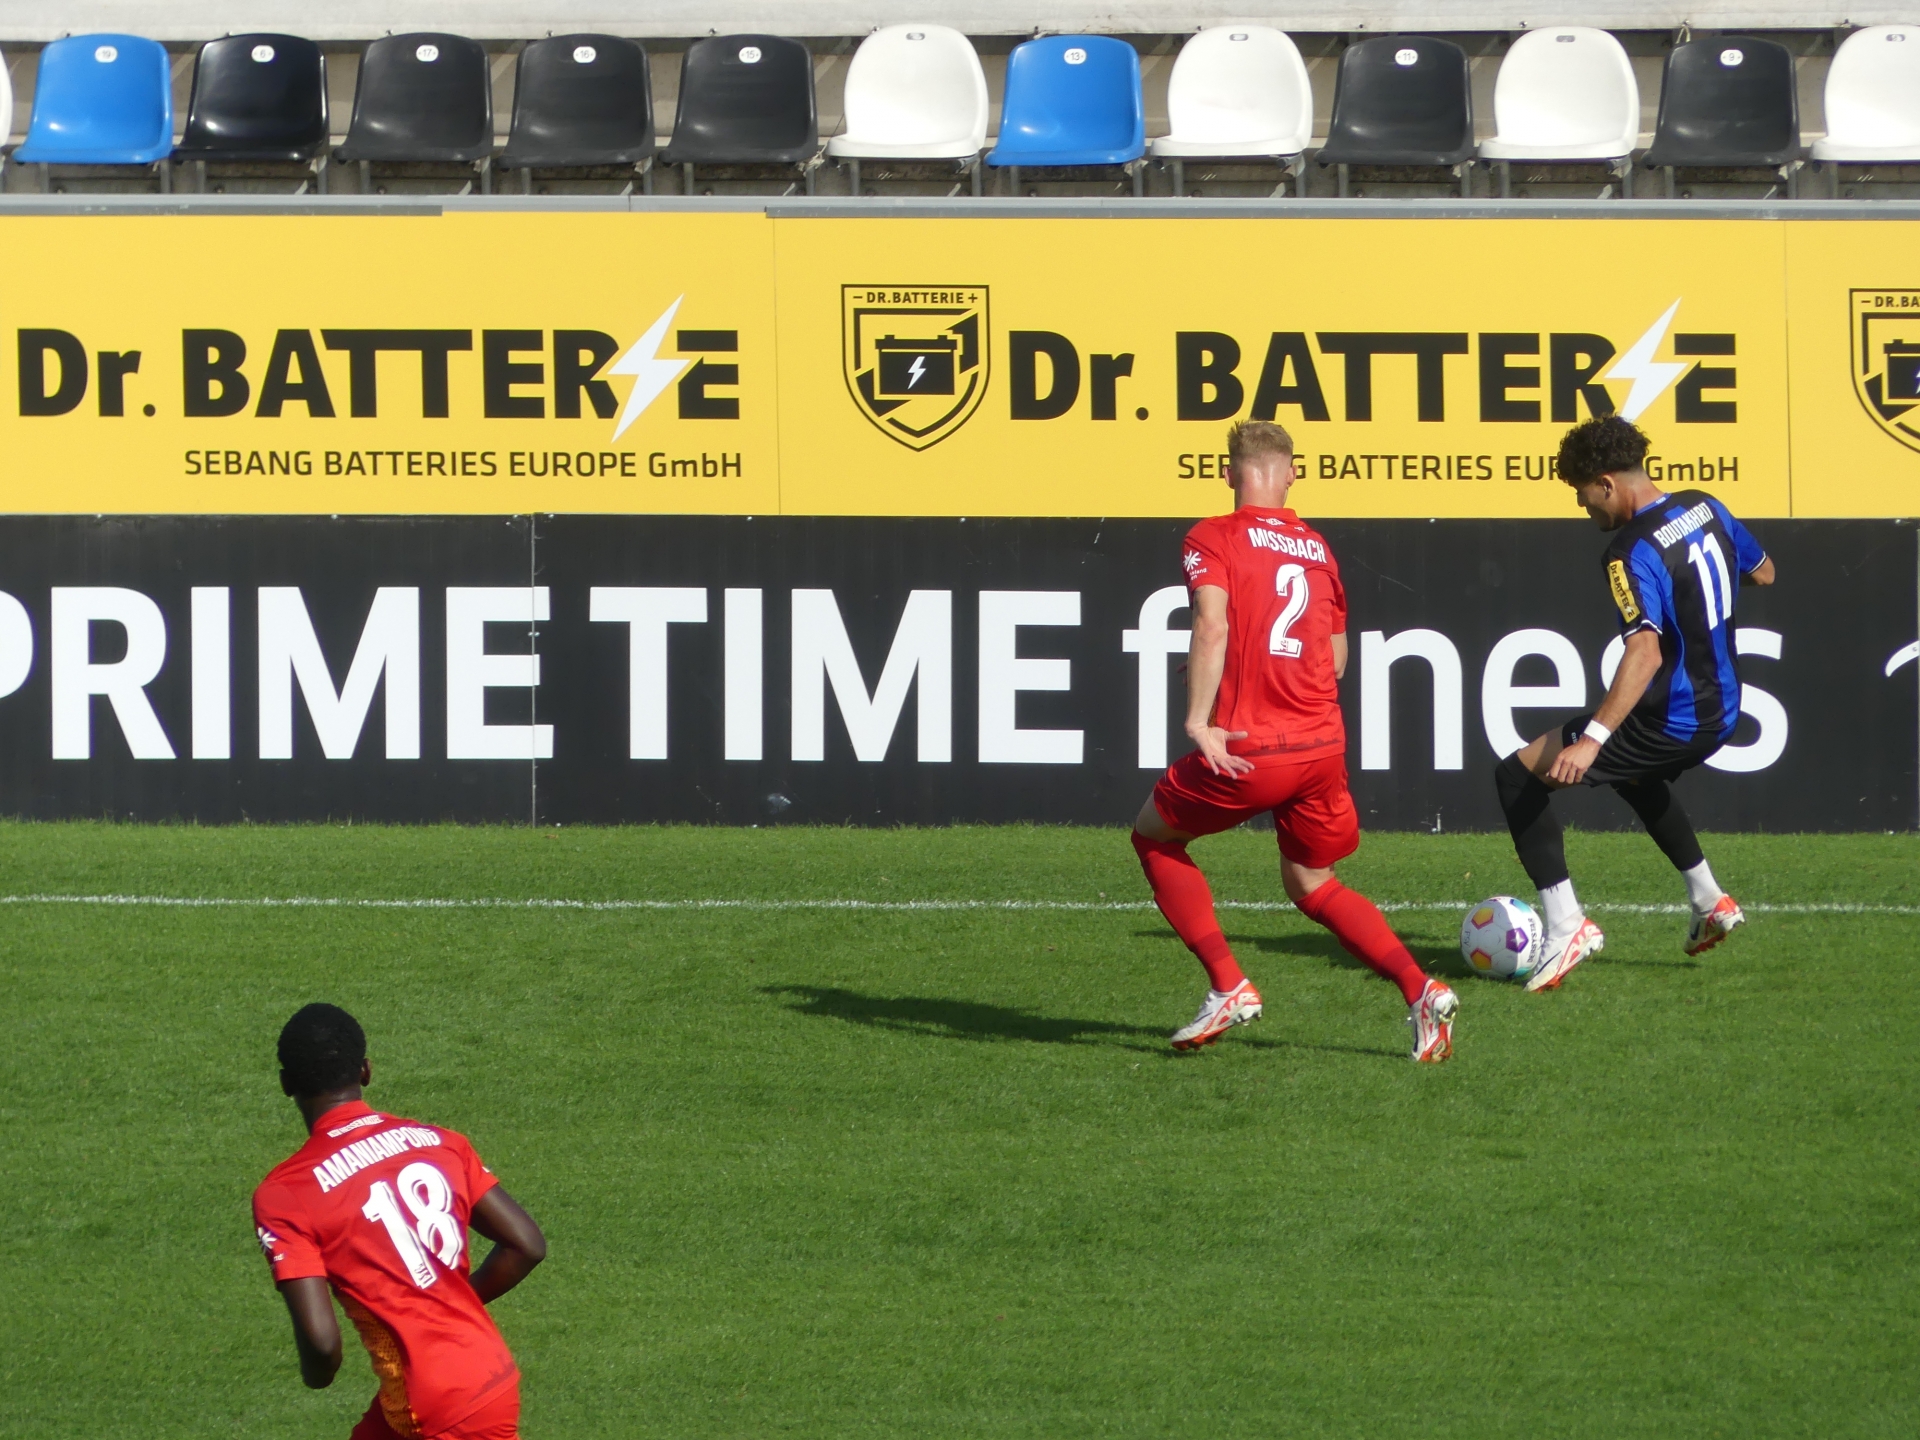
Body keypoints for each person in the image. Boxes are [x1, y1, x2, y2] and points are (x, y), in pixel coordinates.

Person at [1131, 420, 1458, 1061]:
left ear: (1230, 472)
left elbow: (1211, 623)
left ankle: (1229, 983)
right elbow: (1332, 658)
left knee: (1153, 835)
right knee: (1312, 881)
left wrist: (1199, 718)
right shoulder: (1317, 547)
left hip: (1254, 748)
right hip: (1321, 749)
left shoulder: (1212, 535)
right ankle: (1421, 990)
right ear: (1291, 472)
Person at [1494, 416, 1775, 992]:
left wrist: (1591, 739)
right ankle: (1708, 898)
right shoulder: (1707, 505)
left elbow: (1643, 652)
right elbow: (1765, 572)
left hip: (1676, 716)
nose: (1583, 508)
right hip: (1723, 708)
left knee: (1517, 777)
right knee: (1636, 778)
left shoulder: (1627, 551)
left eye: (1581, 494)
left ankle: (1567, 925)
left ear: (1605, 484)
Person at [252, 1004, 547, 1440]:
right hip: (486, 1371)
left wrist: (317, 1375)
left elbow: (322, 1344)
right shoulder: (440, 1142)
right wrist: (450, 1305)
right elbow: (526, 1244)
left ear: (285, 1083)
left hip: (433, 1402)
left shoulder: (286, 1193)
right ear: (366, 1071)